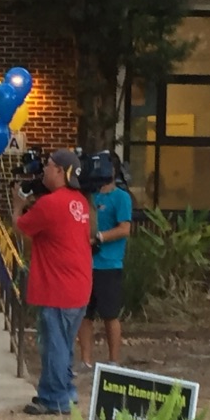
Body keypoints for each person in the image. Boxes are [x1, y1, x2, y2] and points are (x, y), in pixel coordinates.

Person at [12, 149, 92, 415]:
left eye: (47, 166)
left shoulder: (51, 204)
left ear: (60, 171)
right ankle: (60, 391)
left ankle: (55, 399)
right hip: (78, 285)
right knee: (64, 344)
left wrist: (16, 202)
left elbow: (21, 226)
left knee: (54, 346)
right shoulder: (78, 201)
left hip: (57, 288)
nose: (43, 170)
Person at [77, 154, 132, 371]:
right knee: (85, 314)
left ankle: (113, 360)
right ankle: (85, 360)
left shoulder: (121, 197)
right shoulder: (90, 196)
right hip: (86, 263)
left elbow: (124, 228)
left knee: (110, 314)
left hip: (108, 264)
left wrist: (99, 237)